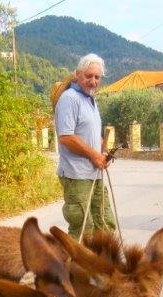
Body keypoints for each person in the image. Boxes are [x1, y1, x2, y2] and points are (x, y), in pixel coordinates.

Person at [53, 53, 115, 240]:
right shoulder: (69, 98)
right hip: (76, 176)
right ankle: (73, 269)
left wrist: (102, 150)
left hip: (94, 174)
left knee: (105, 224)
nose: (93, 81)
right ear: (78, 74)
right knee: (83, 230)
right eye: (88, 76)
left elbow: (88, 133)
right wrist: (93, 155)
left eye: (97, 77)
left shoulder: (90, 100)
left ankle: (101, 268)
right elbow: (66, 137)